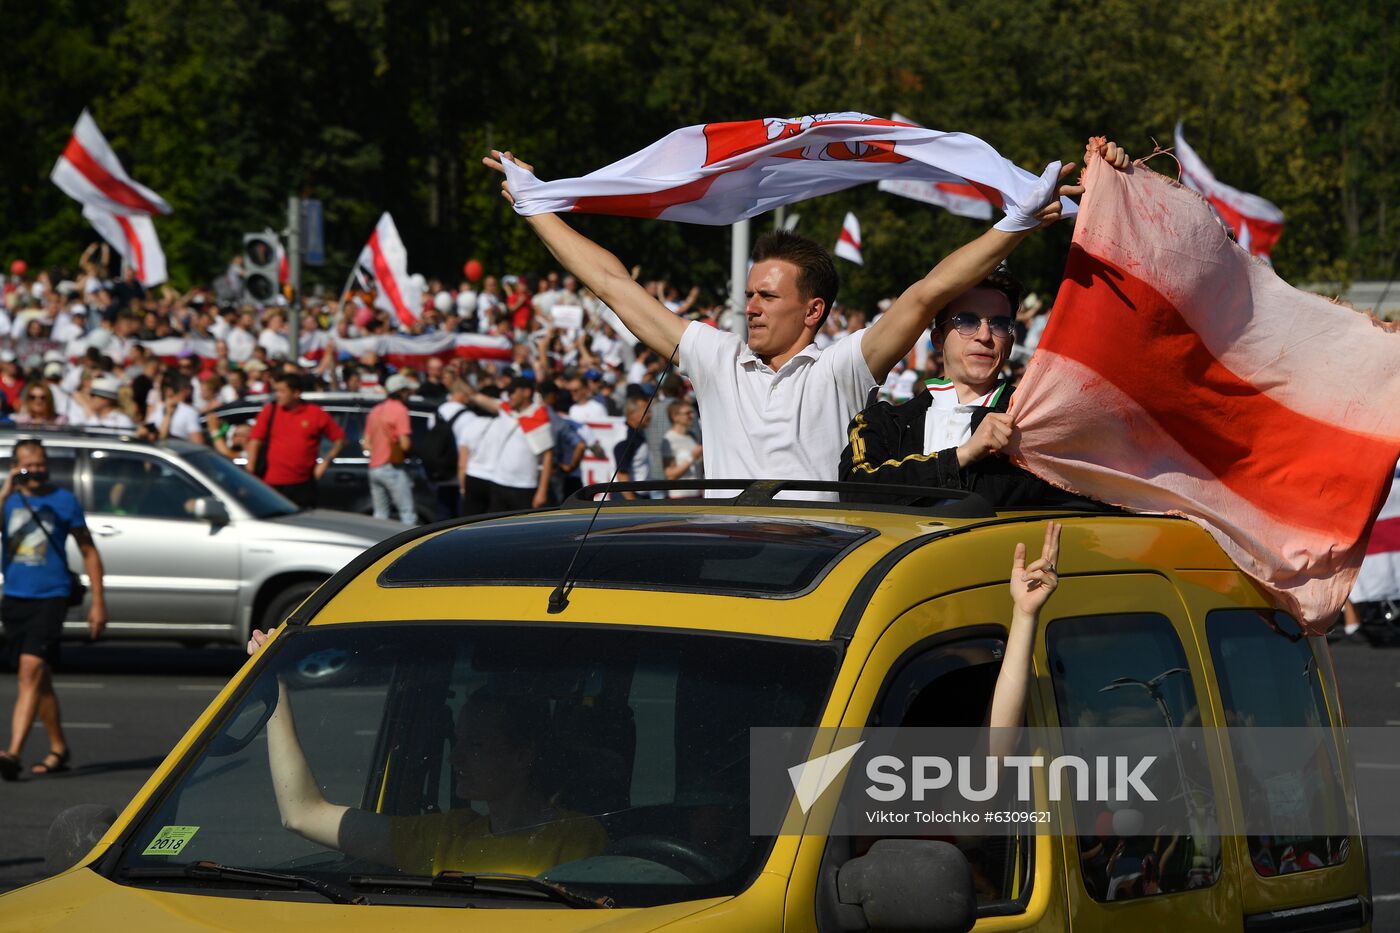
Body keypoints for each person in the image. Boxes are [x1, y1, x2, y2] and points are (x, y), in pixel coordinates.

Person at [484, 147, 1090, 496]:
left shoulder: (842, 369)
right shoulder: (715, 357)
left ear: (813, 311)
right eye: (748, 294)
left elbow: (926, 294)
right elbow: (614, 286)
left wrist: (1012, 226)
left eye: (767, 297)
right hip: (725, 562)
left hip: (821, 579)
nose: (749, 306)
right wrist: (536, 208)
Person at [244, 627, 607, 876]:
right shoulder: (446, 836)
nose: (455, 758)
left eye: (477, 745)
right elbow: (302, 814)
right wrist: (275, 683)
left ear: (523, 755)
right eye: (458, 741)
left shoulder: (575, 838)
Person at [0, 439, 108, 780]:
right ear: (16, 466)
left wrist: (99, 603)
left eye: (41, 462)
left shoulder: (64, 501)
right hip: (15, 596)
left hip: (52, 595)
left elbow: (89, 551)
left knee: (29, 671)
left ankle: (12, 752)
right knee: (39, 679)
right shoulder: (8, 500)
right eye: (28, 463)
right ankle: (59, 747)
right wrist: (6, 489)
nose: (36, 468)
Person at [244, 373, 344, 508]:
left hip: (303, 484)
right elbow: (255, 441)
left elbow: (340, 440)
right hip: (271, 483)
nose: (278, 395)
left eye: (282, 391)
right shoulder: (270, 411)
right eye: (276, 391)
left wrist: (325, 463)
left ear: (296, 393)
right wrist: (250, 473)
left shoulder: (315, 413)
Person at [464, 377, 554, 511]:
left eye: (512, 392)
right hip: (499, 483)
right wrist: (457, 378)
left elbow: (548, 456)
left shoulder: (539, 417)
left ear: (526, 392)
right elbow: (476, 396)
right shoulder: (506, 411)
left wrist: (542, 492)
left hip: (524, 487)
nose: (509, 396)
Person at [364, 373, 418, 525]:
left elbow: (367, 443)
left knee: (380, 515)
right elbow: (405, 444)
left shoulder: (375, 410)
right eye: (407, 391)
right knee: (407, 514)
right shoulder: (400, 410)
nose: (409, 394)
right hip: (392, 467)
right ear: (401, 391)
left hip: (374, 467)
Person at [612, 395, 652, 499]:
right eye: (647, 411)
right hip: (628, 496)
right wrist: (632, 502)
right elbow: (621, 474)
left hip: (640, 494)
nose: (650, 415)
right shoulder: (625, 438)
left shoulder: (638, 434)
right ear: (632, 414)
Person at [662, 399, 703, 493]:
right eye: (687, 413)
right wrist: (691, 457)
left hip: (698, 495)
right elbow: (670, 475)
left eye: (692, 412)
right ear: (675, 416)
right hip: (680, 498)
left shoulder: (692, 436)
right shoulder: (669, 439)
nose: (691, 416)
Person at [67, 374, 136, 429]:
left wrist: (86, 407)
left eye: (93, 395)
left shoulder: (122, 421)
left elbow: (98, 437)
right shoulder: (84, 416)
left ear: (106, 399)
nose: (89, 398)